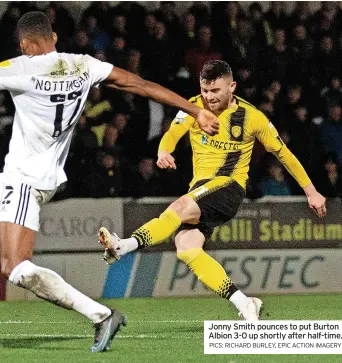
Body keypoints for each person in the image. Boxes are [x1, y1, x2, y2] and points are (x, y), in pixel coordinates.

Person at [0, 11, 219, 353]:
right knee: (9, 264)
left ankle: (100, 314)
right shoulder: (85, 66)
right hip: (45, 177)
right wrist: (196, 111)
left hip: (25, 177)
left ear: (26, 44)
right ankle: (101, 315)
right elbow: (142, 86)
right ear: (54, 38)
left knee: (15, 267)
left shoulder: (18, 68)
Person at [98, 60, 326, 321]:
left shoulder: (252, 117)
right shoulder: (194, 106)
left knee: (179, 208)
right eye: (205, 90)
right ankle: (245, 302)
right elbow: (173, 133)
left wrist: (311, 191)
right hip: (202, 190)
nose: (208, 97)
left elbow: (283, 154)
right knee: (186, 247)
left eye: (215, 91)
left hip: (228, 187)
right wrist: (163, 150)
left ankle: (124, 245)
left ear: (232, 87)